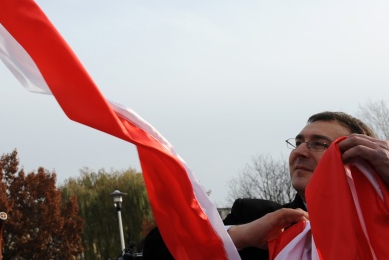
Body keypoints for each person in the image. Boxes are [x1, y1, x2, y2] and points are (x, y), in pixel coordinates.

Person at [142, 111, 386, 259]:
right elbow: (156, 250)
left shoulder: (382, 228)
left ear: (358, 159)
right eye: (298, 142)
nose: (299, 152)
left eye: (319, 144)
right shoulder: (255, 218)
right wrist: (239, 236)